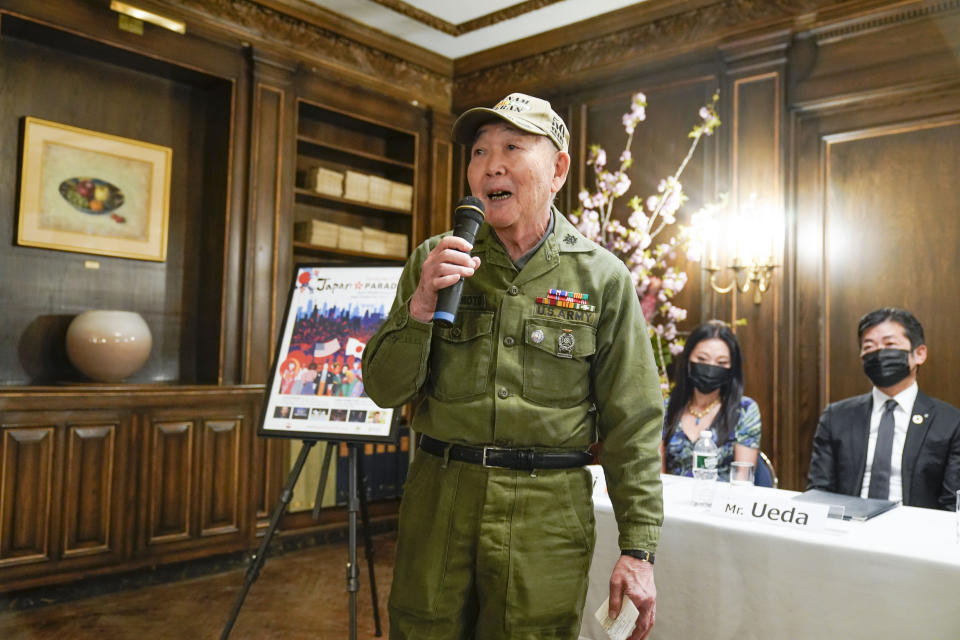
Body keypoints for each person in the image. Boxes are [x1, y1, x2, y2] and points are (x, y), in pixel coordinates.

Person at [363, 92, 664, 639]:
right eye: (479, 152)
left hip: (545, 514)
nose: (490, 164)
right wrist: (422, 307)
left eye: (511, 146)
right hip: (439, 499)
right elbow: (384, 388)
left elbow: (634, 423)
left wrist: (638, 549)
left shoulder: (602, 278)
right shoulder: (436, 259)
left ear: (558, 170)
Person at [807, 308, 960, 509]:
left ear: (919, 354)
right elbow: (819, 490)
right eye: (869, 346)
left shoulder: (949, 421)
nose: (879, 354)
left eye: (890, 344)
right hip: (847, 529)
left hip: (917, 533)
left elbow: (953, 502)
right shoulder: (837, 416)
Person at [660, 320, 761, 480]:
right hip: (671, 501)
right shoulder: (665, 408)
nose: (710, 367)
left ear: (732, 368)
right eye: (702, 359)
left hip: (724, 502)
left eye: (721, 362)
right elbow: (656, 474)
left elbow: (743, 478)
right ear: (688, 361)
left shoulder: (744, 410)